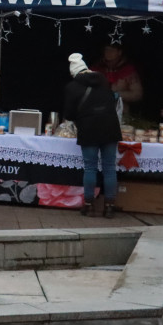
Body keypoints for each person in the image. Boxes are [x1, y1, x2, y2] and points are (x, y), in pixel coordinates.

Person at [64, 52, 122, 218]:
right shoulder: (103, 80)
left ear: (73, 73)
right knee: (109, 167)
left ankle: (89, 205)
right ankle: (109, 207)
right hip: (110, 127)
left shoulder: (72, 87)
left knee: (90, 167)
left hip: (89, 129)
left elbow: (69, 114)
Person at [92, 42, 143, 118]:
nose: (108, 53)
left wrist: (118, 95)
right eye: (106, 50)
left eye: (112, 50)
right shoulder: (97, 67)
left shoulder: (129, 71)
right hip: (97, 112)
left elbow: (138, 94)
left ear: (119, 52)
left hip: (119, 114)